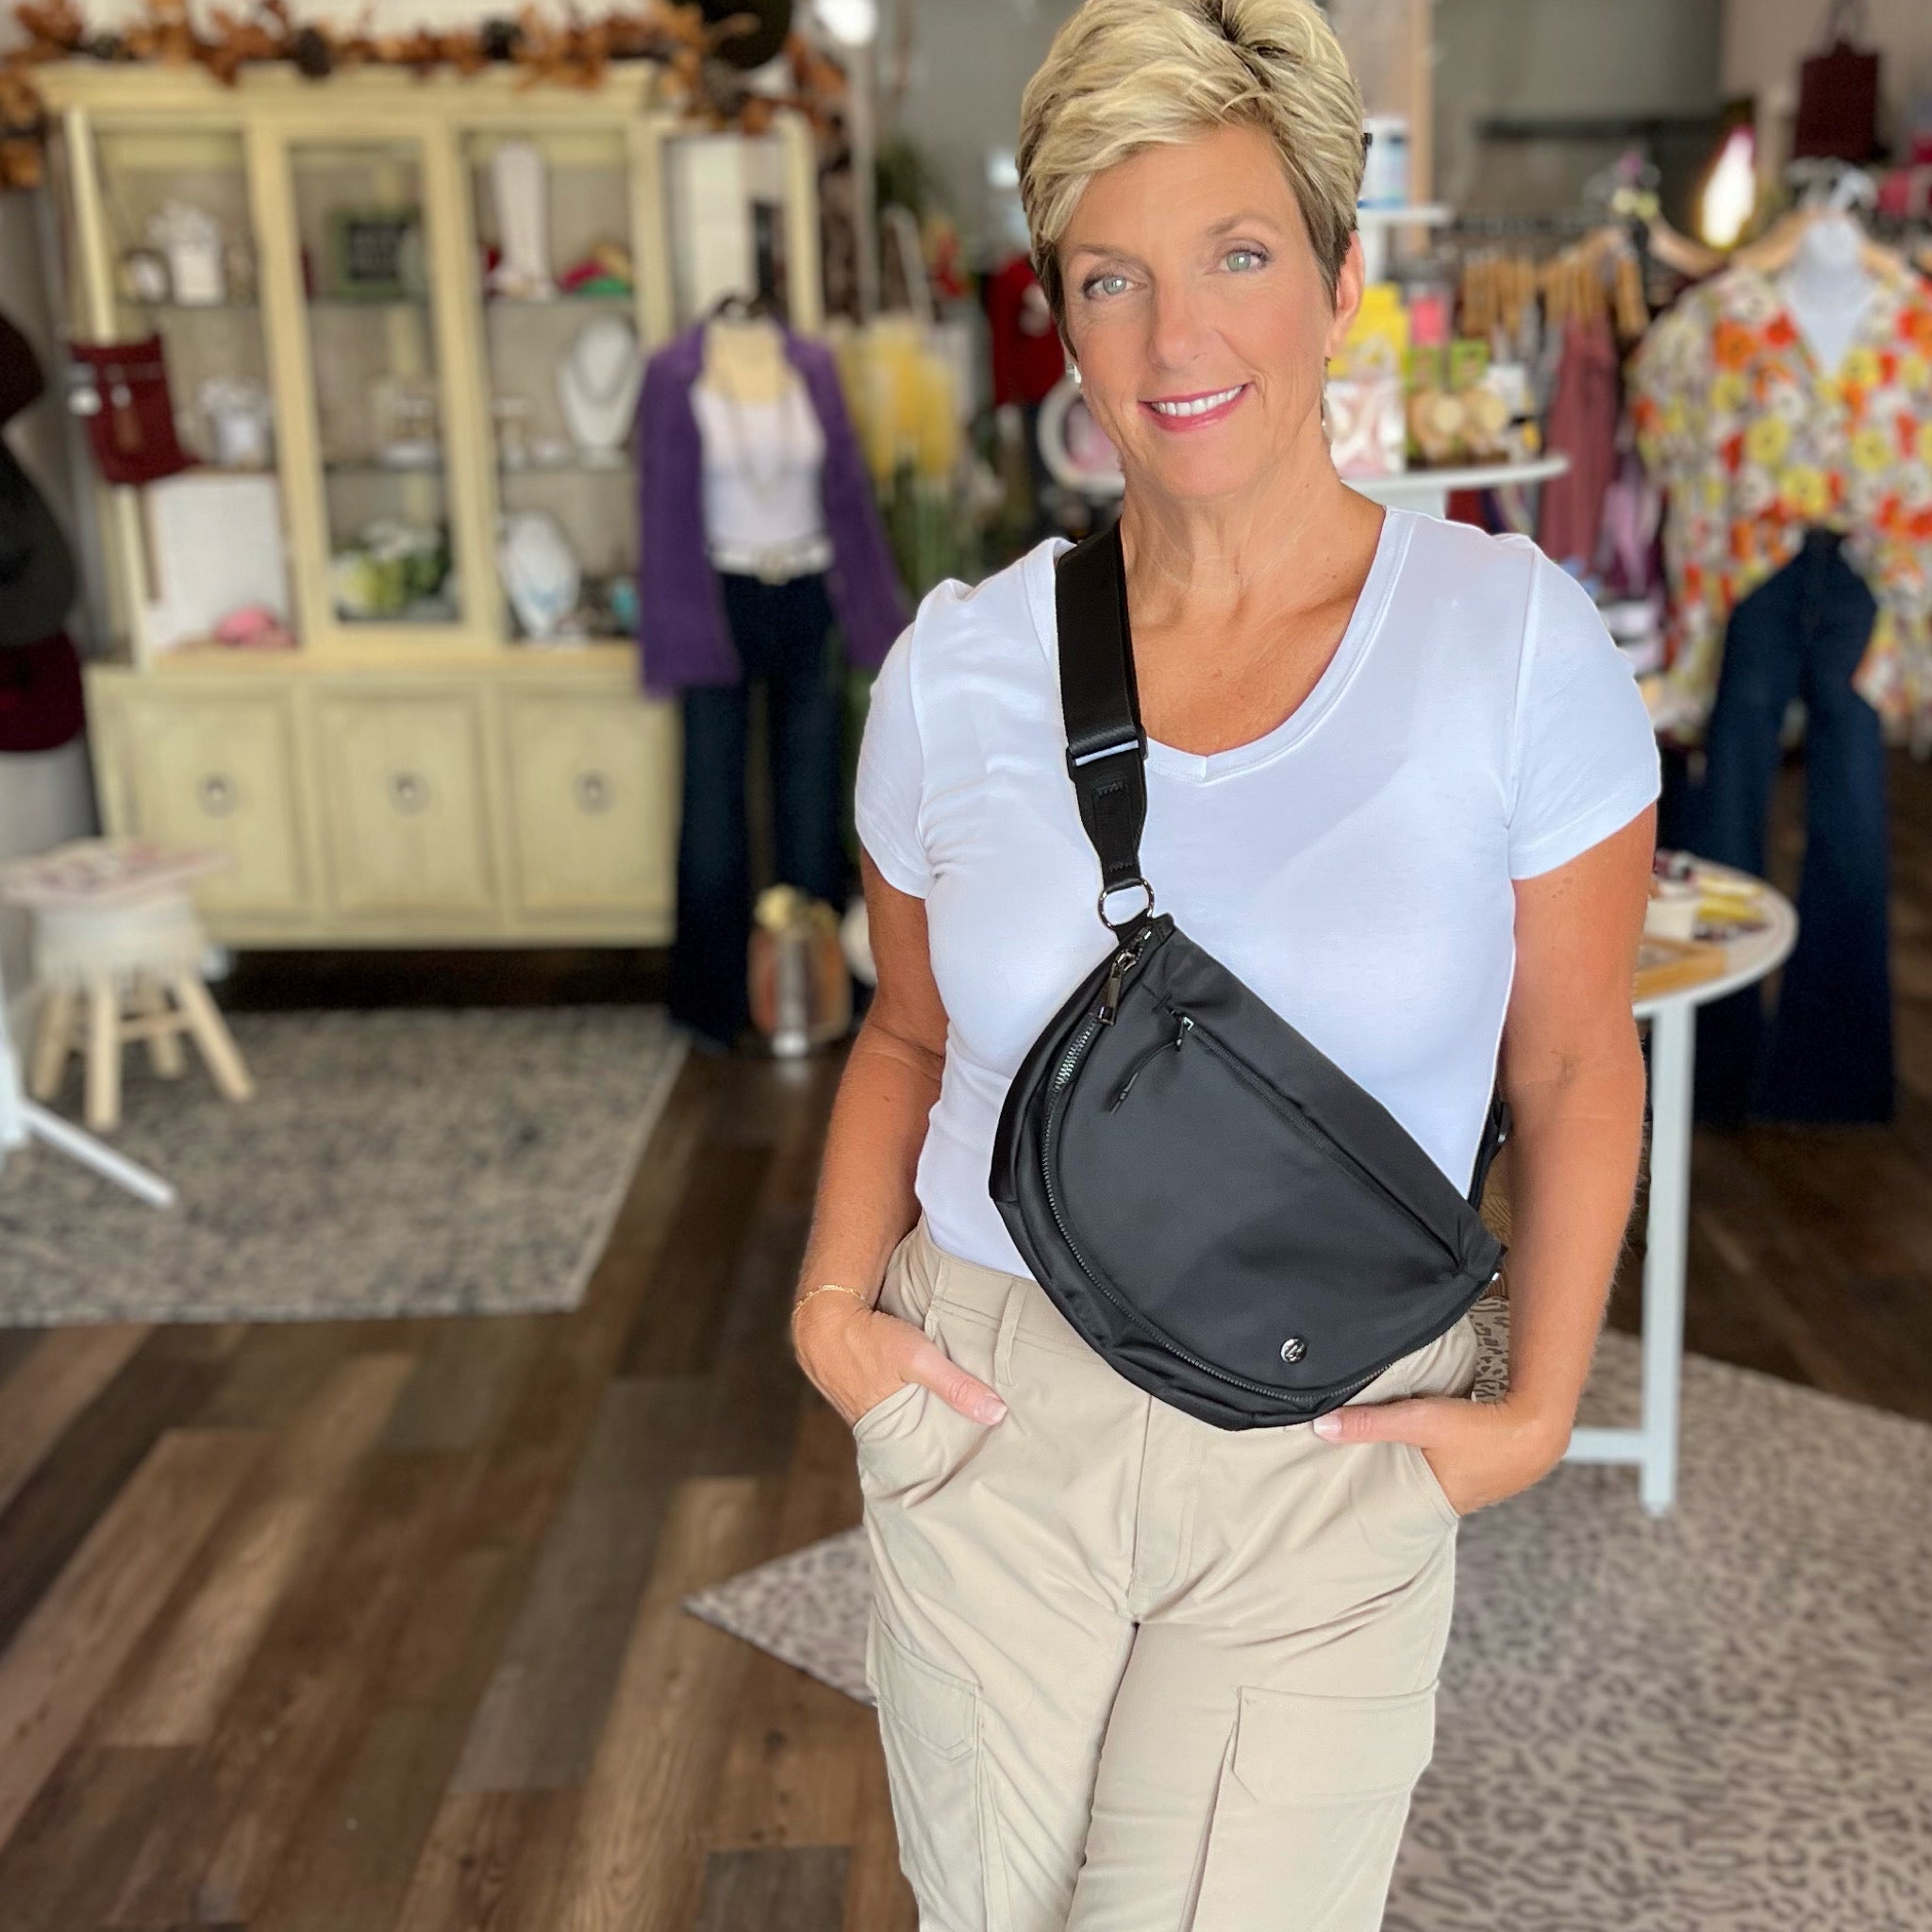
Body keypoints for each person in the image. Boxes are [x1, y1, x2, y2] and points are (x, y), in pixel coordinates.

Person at [789, 1, 1659, 1924]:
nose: (1177, 342)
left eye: (1239, 256)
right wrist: (838, 1320)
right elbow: (905, 1034)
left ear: (1339, 282)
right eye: (1113, 279)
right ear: (1061, 320)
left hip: (1328, 1423)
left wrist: (1534, 1409)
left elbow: (1576, 1061)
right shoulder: (956, 670)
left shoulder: (1511, 645)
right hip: (990, 1398)